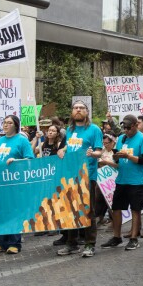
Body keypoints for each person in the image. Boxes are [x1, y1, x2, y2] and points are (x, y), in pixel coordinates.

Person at [0, 115, 34, 254]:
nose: (6, 125)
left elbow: (30, 160)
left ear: (16, 125)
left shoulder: (22, 140)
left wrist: (16, 161)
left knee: (14, 211)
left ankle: (15, 243)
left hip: (15, 183)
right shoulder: (0, 141)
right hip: (0, 182)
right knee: (1, 211)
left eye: (9, 123)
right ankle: (2, 241)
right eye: (4, 122)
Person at [56, 100, 104, 257]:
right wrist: (61, 150)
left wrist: (93, 154)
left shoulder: (94, 129)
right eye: (75, 108)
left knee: (88, 211)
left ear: (86, 112)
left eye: (81, 108)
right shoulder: (69, 130)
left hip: (87, 176)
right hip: (70, 176)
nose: (78, 110)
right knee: (70, 210)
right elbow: (69, 147)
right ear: (72, 112)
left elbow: (99, 152)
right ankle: (71, 243)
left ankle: (90, 244)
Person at [100, 116, 143, 251]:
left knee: (135, 209)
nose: (126, 130)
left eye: (129, 128)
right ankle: (116, 237)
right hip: (122, 179)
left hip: (136, 181)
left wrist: (128, 156)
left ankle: (134, 238)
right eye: (125, 128)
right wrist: (116, 157)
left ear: (136, 125)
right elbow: (116, 157)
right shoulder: (122, 138)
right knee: (116, 208)